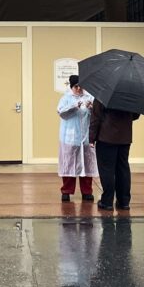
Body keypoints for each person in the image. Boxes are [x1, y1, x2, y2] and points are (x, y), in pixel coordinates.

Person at [88, 97, 139, 212]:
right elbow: (135, 115)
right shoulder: (131, 95)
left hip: (106, 137)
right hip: (125, 137)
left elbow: (96, 118)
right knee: (123, 169)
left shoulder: (102, 95)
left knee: (107, 170)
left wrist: (91, 138)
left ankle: (107, 202)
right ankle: (124, 202)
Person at [56, 74, 98, 202]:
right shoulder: (66, 98)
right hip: (70, 138)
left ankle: (87, 191)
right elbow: (61, 112)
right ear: (71, 86)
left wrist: (92, 108)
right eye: (76, 86)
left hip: (85, 137)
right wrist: (74, 106)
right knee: (69, 164)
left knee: (87, 163)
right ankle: (66, 191)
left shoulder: (89, 96)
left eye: (81, 86)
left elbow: (97, 113)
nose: (79, 89)